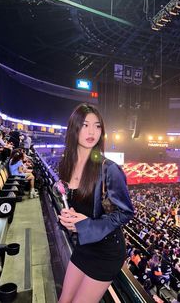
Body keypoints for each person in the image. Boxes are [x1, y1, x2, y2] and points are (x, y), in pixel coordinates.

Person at [57, 103, 134, 303]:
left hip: (106, 251)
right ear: (74, 128)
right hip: (84, 246)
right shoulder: (66, 165)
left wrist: (85, 224)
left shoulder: (109, 169)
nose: (92, 131)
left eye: (97, 126)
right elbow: (79, 207)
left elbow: (125, 212)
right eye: (85, 125)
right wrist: (68, 217)